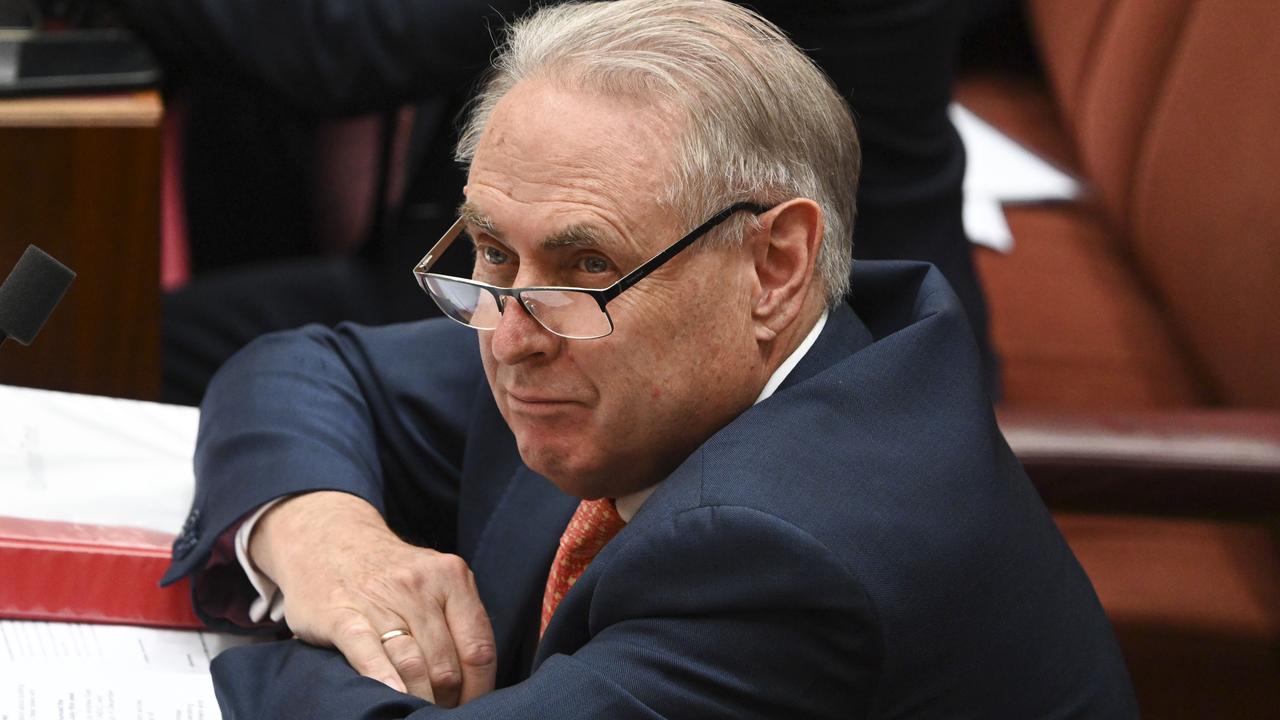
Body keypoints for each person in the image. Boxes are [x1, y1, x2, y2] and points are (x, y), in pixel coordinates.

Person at [163, 1, 1135, 717]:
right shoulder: (616, 341)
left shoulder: (784, 557)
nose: (508, 332)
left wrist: (295, 644)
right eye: (493, 253)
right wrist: (330, 543)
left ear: (775, 263)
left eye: (585, 262)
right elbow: (307, 367)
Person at [114, 0, 996, 405]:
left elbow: (346, 44)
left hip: (769, 327)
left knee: (124, 352)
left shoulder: (764, 541)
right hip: (598, 276)